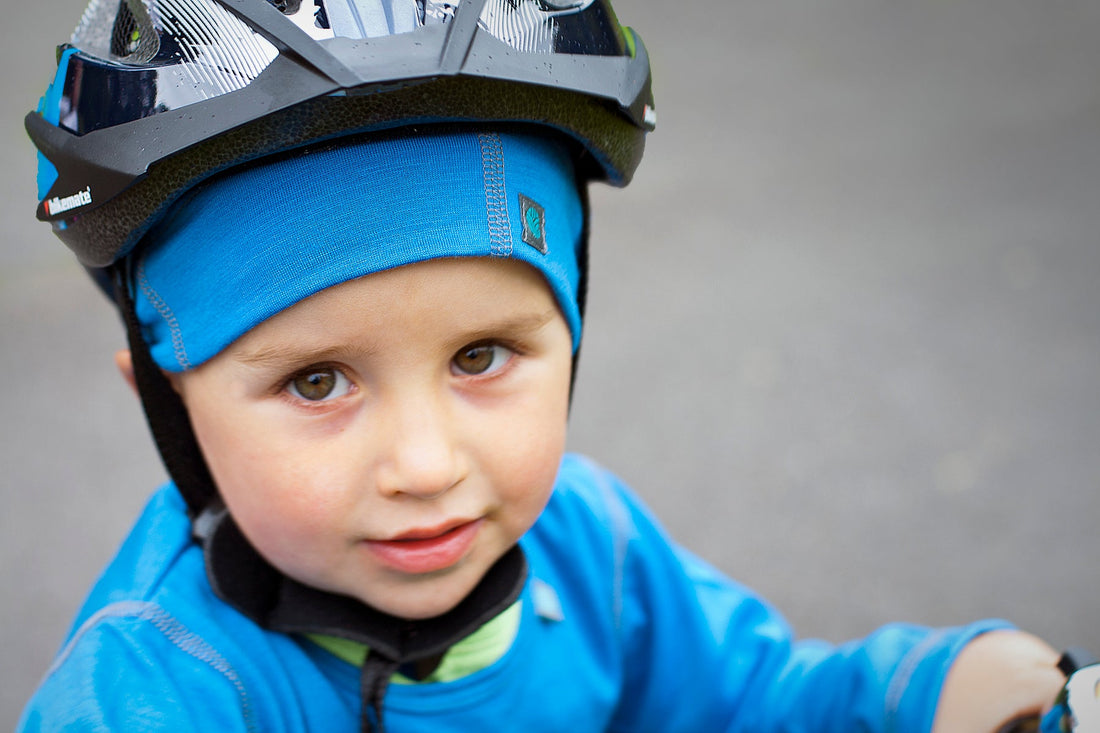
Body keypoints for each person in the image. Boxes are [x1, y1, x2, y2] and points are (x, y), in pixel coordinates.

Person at [19, 0, 1066, 730]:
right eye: (315, 380)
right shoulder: (152, 695)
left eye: (480, 356)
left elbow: (750, 703)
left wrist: (944, 690)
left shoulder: (586, 544)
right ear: (164, 398)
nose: (426, 466)